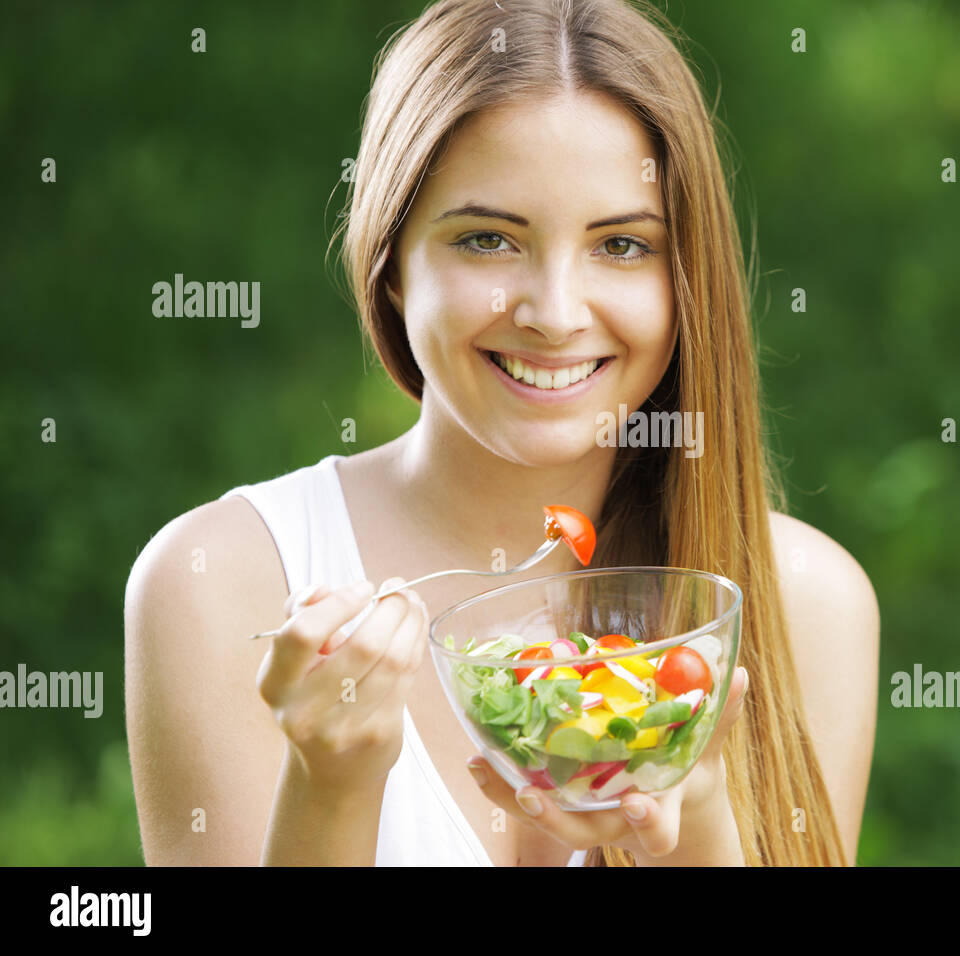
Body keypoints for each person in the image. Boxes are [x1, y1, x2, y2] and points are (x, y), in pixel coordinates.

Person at [125, 0, 879, 867]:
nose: (555, 315)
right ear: (392, 266)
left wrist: (693, 824)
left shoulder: (805, 604)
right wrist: (332, 789)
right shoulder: (219, 584)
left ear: (687, 279)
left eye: (623, 246)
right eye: (488, 239)